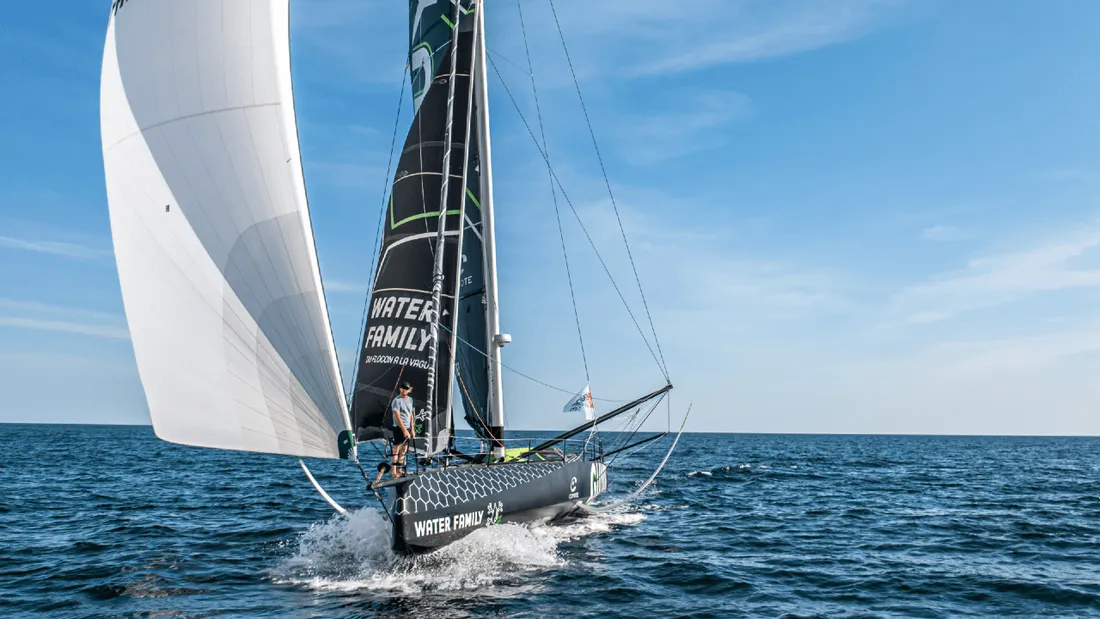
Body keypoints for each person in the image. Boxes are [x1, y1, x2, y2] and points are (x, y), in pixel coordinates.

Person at [391, 381, 415, 476]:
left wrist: (412, 429)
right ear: (400, 389)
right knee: (396, 448)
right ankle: (393, 470)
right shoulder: (396, 401)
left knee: (404, 449)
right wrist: (404, 430)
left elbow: (411, 414)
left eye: (406, 388)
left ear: (409, 390)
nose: (404, 390)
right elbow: (397, 416)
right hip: (398, 428)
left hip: (408, 427)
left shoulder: (410, 400)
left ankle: (399, 469)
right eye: (402, 388)